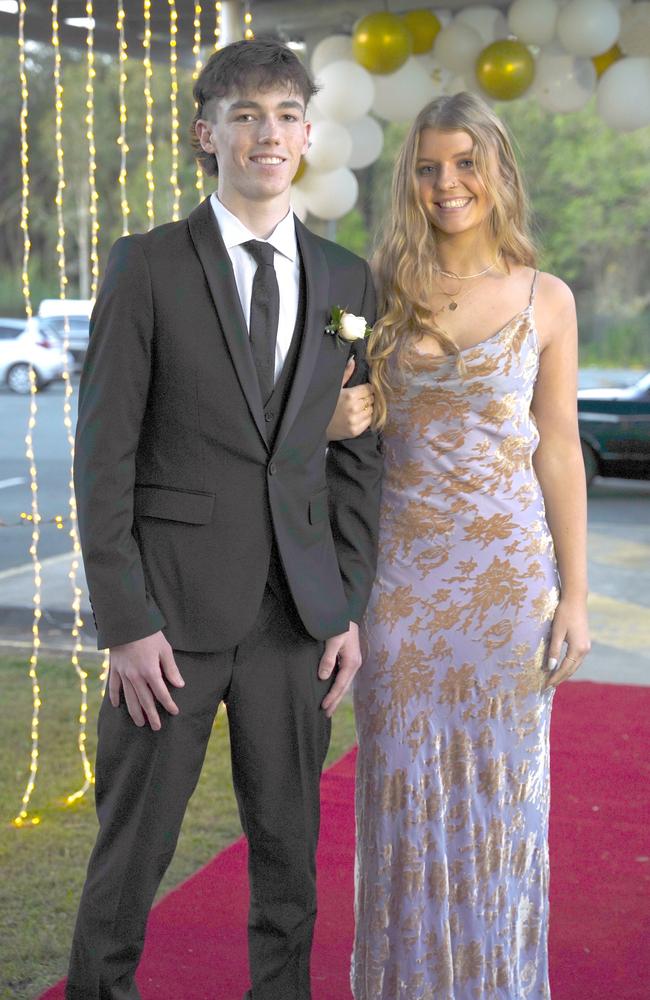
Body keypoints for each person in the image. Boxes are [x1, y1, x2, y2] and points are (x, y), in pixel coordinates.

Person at [66, 38, 382, 1000]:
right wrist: (127, 624)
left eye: (285, 114)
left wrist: (346, 604)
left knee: (290, 866)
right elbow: (103, 456)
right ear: (208, 135)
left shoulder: (346, 282)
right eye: (245, 114)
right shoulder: (149, 265)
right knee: (131, 864)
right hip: (169, 625)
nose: (268, 133)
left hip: (297, 622)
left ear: (309, 135)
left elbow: (360, 455)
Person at [331, 92, 591, 998]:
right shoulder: (372, 293)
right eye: (430, 166)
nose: (448, 184)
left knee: (502, 806)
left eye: (465, 163)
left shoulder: (545, 298)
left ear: (497, 170)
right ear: (411, 178)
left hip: (510, 587)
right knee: (401, 803)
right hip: (400, 586)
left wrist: (578, 596)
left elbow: (557, 446)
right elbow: (327, 428)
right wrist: (333, 419)